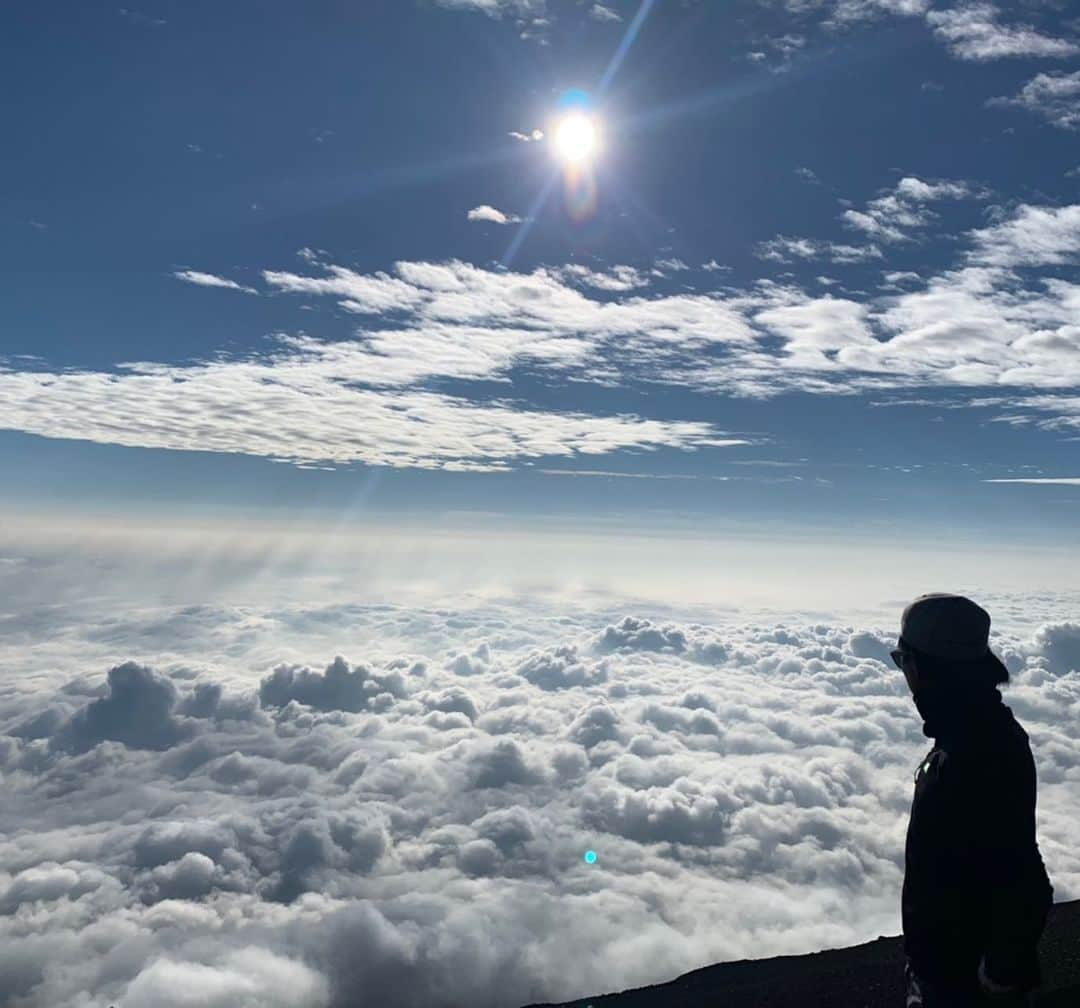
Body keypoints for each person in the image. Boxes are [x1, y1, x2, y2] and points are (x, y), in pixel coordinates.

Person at [894, 593, 1053, 1007]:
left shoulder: (972, 755)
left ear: (922, 666)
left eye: (901, 659)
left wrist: (996, 980)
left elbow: (1027, 881)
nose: (903, 673)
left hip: (959, 983)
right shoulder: (980, 731)